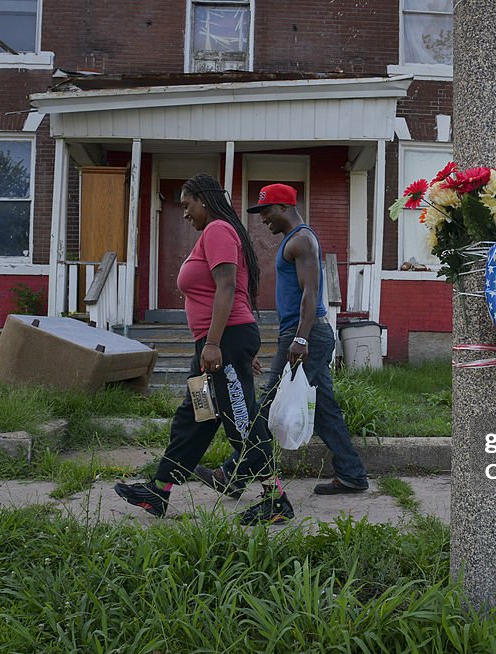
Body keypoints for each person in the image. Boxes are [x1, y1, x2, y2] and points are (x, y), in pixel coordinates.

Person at [114, 173, 293, 525]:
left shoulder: (218, 230)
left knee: (241, 421)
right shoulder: (217, 233)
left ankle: (276, 500)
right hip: (219, 344)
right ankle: (159, 491)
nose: (184, 213)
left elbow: (227, 286)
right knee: (195, 417)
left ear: (204, 200)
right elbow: (235, 289)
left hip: (222, 342)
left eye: (186, 205)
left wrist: (216, 344)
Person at [194, 183, 370, 499]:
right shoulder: (295, 240)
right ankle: (352, 473)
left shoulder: (301, 240)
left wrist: (300, 338)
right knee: (325, 410)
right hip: (304, 333)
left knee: (266, 406)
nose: (263, 219)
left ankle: (232, 475)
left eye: (266, 211)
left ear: (284, 208)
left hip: (307, 334)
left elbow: (311, 292)